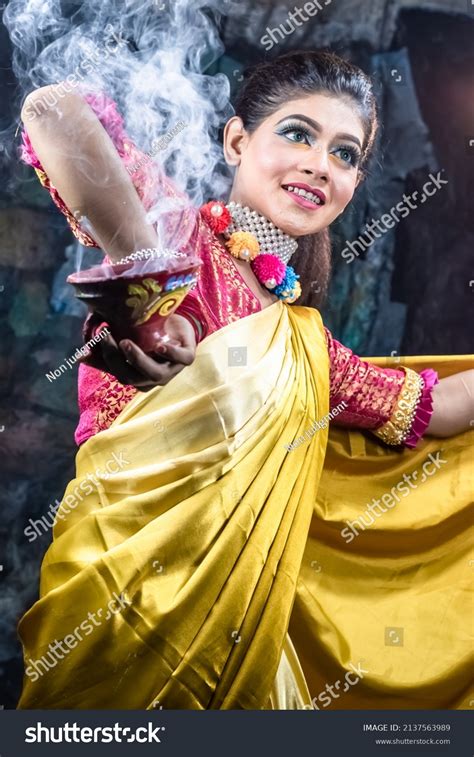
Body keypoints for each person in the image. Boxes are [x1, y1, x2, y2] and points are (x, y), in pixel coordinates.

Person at [16, 51, 473, 710]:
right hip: (117, 624)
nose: (321, 162)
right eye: (298, 133)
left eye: (345, 154)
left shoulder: (308, 345)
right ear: (237, 140)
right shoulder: (174, 234)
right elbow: (53, 110)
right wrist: (148, 285)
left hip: (241, 660)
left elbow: (437, 408)